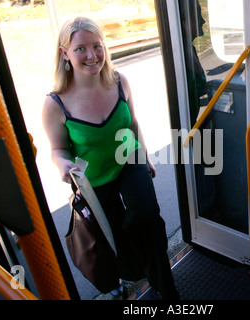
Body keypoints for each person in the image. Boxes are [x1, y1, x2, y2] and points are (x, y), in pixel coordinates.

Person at [42, 16, 179, 300]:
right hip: (93, 180)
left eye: (97, 46)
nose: (92, 55)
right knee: (113, 240)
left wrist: (145, 156)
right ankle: (130, 272)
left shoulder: (119, 81)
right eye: (80, 49)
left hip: (130, 162)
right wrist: (62, 163)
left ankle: (166, 292)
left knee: (147, 219)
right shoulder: (56, 103)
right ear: (64, 53)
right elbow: (58, 149)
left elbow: (132, 123)